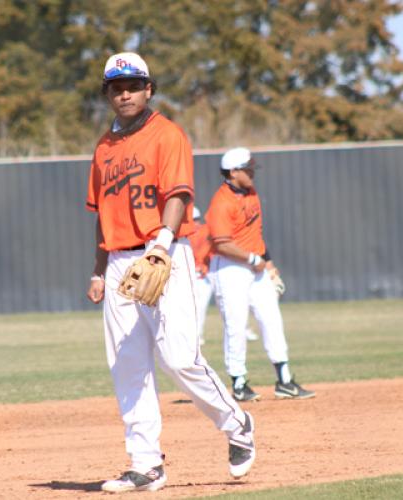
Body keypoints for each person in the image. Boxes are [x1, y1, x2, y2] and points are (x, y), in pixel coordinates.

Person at [85, 53, 255, 493]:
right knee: (127, 366)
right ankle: (146, 464)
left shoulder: (168, 135)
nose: (125, 93)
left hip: (164, 251)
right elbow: (101, 214)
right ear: (108, 94)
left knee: (179, 357)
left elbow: (177, 195)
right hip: (120, 260)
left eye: (133, 84)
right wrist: (99, 270)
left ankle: (237, 423)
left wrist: (161, 242)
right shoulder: (103, 148)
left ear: (148, 89)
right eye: (117, 86)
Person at [205, 147, 316, 402]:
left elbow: (256, 233)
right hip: (230, 268)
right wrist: (253, 259)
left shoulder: (250, 193)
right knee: (235, 325)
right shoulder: (221, 202)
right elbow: (221, 243)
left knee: (271, 319)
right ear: (233, 172)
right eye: (247, 169)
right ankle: (239, 383)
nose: (252, 173)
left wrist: (269, 264)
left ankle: (285, 380)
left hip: (255, 267)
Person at [189, 207, 258, 345]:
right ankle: (197, 336)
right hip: (204, 272)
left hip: (208, 271)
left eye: (196, 220)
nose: (195, 223)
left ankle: (241, 330)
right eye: (193, 220)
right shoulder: (195, 232)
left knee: (224, 303)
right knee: (204, 305)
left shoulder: (198, 231)